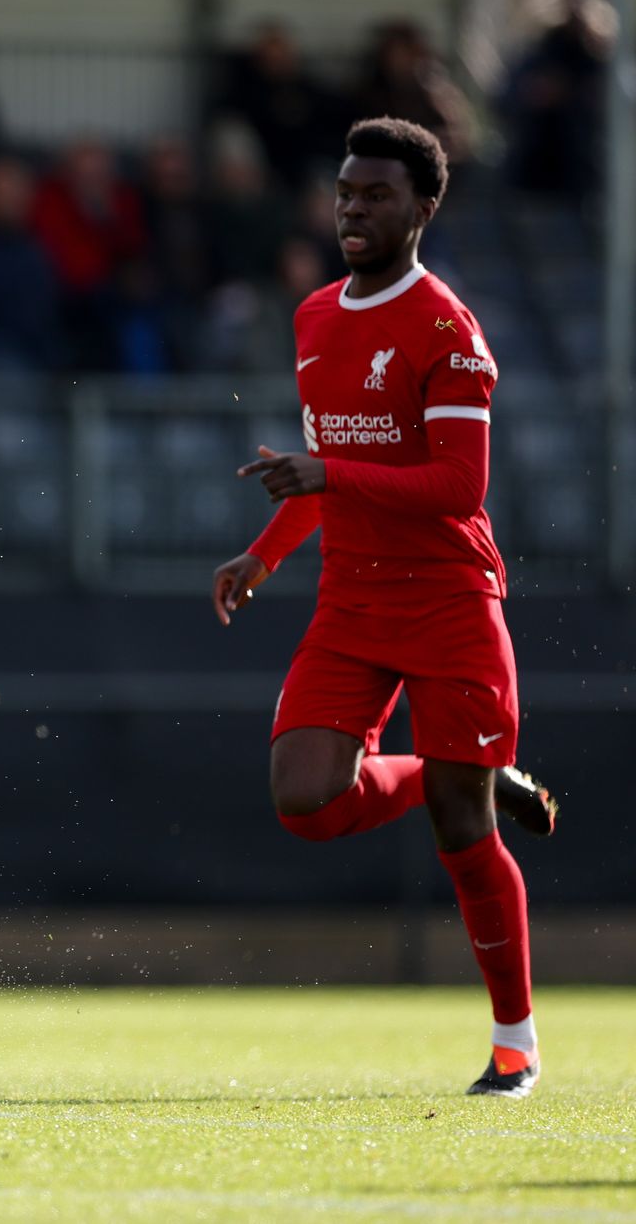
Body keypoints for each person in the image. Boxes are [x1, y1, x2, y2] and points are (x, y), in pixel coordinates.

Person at [210, 118, 558, 1099]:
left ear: (423, 208)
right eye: (345, 193)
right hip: (354, 598)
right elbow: (324, 479)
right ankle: (472, 777)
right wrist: (265, 552)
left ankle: (514, 1041)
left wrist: (327, 468)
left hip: (449, 596)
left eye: (376, 195)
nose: (353, 210)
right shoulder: (316, 314)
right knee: (303, 796)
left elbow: (459, 486)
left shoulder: (448, 329)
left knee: (460, 826)